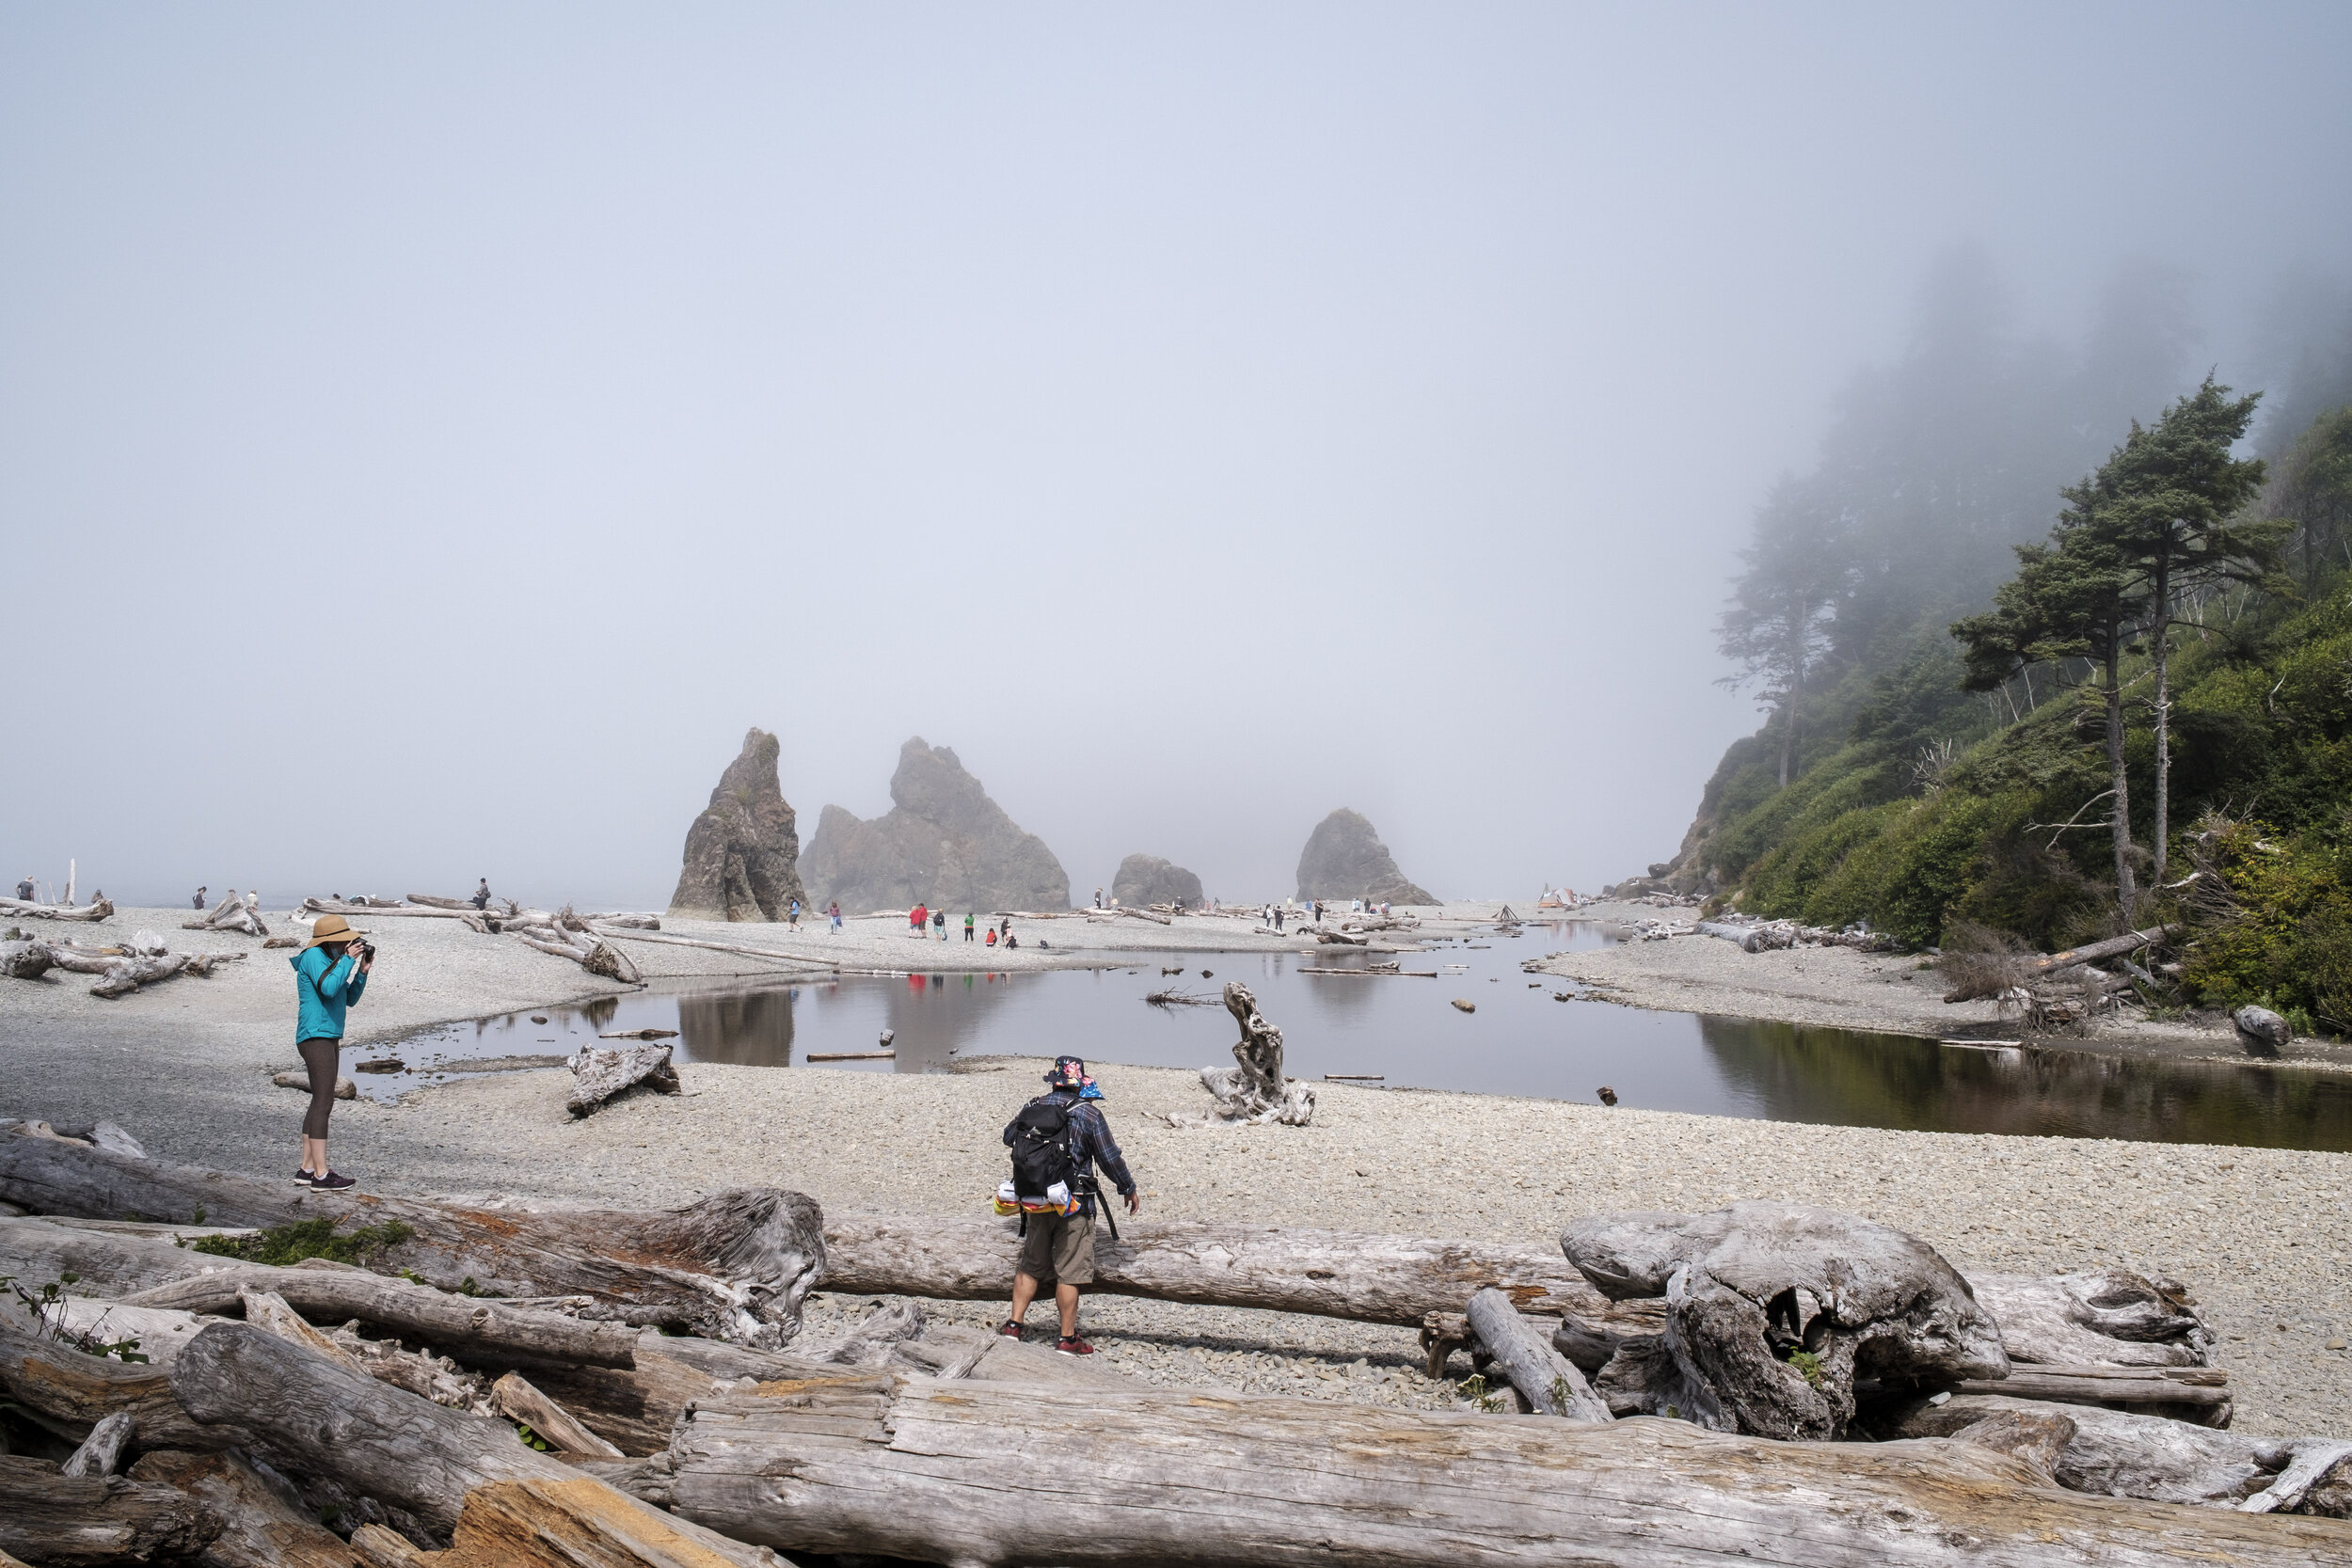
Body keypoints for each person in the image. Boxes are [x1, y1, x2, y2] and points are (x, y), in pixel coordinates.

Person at [999, 1056, 1138, 1354]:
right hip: (1075, 1203)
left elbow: (1009, 1137)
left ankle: (1013, 1326)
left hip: (1038, 1199)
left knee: (1031, 1265)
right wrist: (1127, 1187)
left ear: (1054, 1080)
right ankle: (1066, 1339)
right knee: (1070, 1271)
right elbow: (1109, 1157)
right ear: (1080, 1084)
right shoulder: (1088, 1114)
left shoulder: (1033, 1105)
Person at [291, 913, 373, 1191]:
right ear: (331, 940)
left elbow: (348, 998)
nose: (347, 943)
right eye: (342, 940)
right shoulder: (314, 955)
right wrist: (348, 960)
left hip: (327, 1035)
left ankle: (306, 1169)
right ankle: (322, 1175)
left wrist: (361, 971)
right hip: (315, 1035)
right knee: (325, 1102)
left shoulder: (333, 960)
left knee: (318, 1101)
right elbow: (327, 989)